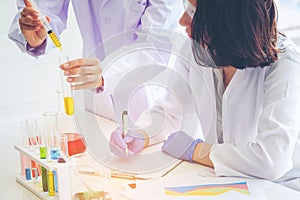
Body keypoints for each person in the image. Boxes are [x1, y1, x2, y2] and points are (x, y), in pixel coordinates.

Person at [109, 0, 300, 191]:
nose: (183, 20)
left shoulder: (285, 63)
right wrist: (141, 133)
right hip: (228, 182)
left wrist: (196, 151)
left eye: (193, 12)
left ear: (228, 19)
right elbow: (171, 113)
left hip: (281, 188)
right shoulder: (198, 49)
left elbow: (271, 160)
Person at [8, 0, 183, 119]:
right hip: (96, 101)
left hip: (151, 96)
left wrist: (106, 74)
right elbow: (42, 10)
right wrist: (36, 34)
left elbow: (157, 44)